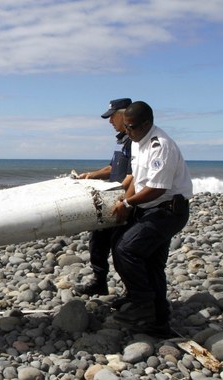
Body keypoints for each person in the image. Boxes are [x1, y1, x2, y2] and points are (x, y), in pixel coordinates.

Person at [111, 101, 192, 337]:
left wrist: (127, 203)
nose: (128, 132)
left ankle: (142, 305)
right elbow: (137, 178)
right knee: (150, 264)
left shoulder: (161, 146)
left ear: (147, 124)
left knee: (126, 249)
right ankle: (159, 322)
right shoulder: (137, 141)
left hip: (168, 211)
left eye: (132, 127)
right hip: (150, 209)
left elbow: (157, 188)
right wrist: (126, 203)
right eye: (125, 127)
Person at [74, 98, 133, 297]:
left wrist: (122, 200)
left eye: (112, 117)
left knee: (121, 248)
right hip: (112, 198)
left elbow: (133, 176)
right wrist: (90, 175)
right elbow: (112, 168)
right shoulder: (121, 140)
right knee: (97, 240)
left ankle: (132, 292)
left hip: (124, 201)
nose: (110, 122)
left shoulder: (134, 141)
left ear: (125, 115)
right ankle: (99, 281)